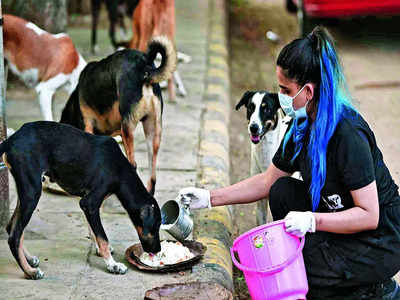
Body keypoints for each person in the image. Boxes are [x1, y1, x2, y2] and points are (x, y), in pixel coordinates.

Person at [177, 26, 400, 300]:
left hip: (379, 239)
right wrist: (210, 198)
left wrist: (312, 221)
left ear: (308, 90)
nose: (280, 95)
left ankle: (376, 289)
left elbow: (369, 215)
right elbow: (267, 181)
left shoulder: (348, 135)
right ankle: (334, 275)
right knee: (283, 190)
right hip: (336, 217)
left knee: (300, 269)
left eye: (285, 89)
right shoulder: (301, 125)